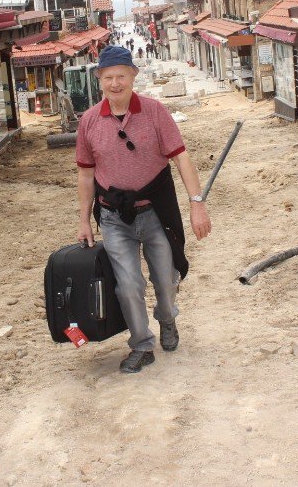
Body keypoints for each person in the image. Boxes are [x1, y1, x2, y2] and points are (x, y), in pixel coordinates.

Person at [75, 46, 212, 374]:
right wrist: (83, 220)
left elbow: (181, 158)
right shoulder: (89, 121)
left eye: (122, 75)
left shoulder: (155, 112)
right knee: (128, 285)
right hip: (112, 216)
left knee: (165, 279)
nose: (115, 83)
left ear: (134, 76)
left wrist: (197, 205)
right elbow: (85, 173)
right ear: (99, 80)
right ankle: (141, 344)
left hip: (155, 212)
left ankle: (167, 318)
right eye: (108, 77)